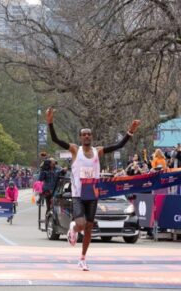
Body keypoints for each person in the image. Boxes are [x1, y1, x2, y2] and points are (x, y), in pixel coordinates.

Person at [46, 108, 140, 271]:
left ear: (92, 137)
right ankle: (73, 229)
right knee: (81, 224)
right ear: (81, 137)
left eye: (89, 134)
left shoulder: (98, 151)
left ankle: (82, 258)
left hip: (93, 194)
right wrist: (50, 122)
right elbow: (55, 139)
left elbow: (119, 145)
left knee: (89, 227)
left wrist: (130, 132)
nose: (87, 136)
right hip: (78, 194)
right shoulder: (75, 150)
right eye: (84, 134)